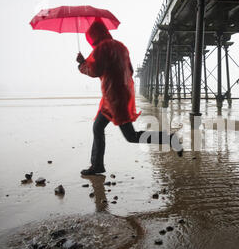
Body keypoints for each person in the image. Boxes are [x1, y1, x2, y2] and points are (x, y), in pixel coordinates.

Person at [77, 18, 183, 176]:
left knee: (130, 136)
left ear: (93, 36)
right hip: (123, 94)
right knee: (98, 127)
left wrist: (82, 64)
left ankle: (169, 139)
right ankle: (97, 164)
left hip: (113, 98)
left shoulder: (102, 48)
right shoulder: (121, 47)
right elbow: (131, 70)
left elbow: (95, 70)